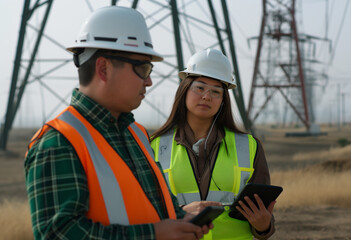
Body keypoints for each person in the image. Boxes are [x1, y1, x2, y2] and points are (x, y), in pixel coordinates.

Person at [24, 6, 211, 240]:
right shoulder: (58, 142)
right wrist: (153, 235)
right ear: (103, 68)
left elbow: (146, 211)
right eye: (143, 68)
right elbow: (58, 235)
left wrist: (180, 218)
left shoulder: (136, 133)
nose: (150, 81)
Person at [151, 48, 276, 239]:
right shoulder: (154, 147)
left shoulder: (250, 147)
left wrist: (264, 226)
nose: (206, 96)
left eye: (216, 92)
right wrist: (181, 212)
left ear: (223, 101)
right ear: (184, 90)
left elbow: (263, 218)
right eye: (199, 88)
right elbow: (144, 212)